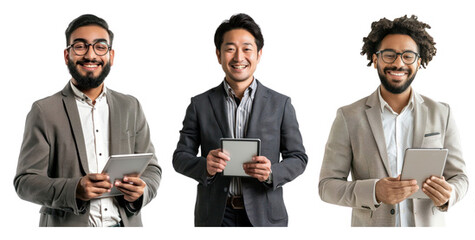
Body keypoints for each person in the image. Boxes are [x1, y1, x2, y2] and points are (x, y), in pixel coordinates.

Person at [318, 15, 468, 227]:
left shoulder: (442, 113)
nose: (398, 63)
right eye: (389, 55)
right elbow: (327, 186)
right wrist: (374, 191)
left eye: (408, 56)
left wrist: (449, 195)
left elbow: (460, 178)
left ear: (419, 61)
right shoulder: (348, 116)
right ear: (375, 59)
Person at [14, 14, 161, 227]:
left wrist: (141, 190)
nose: (91, 55)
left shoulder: (130, 106)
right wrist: (75, 190)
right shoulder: (44, 111)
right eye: (81, 46)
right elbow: (25, 182)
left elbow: (152, 169)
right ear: (67, 55)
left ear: (111, 55)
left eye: (100, 47)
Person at [172, 13, 308, 227]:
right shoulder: (200, 104)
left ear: (259, 54)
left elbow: (298, 158)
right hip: (216, 216)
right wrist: (204, 166)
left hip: (265, 217)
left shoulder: (280, 104)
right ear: (218, 54)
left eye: (246, 49)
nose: (238, 57)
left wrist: (272, 173)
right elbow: (180, 157)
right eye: (230, 49)